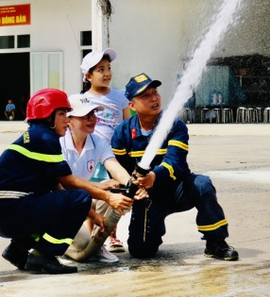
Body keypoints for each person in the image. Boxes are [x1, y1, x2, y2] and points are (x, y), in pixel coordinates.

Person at [0, 89, 132, 275]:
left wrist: (94, 216)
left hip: (5, 210)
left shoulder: (37, 135)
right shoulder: (46, 138)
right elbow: (69, 184)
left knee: (57, 200)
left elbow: (55, 185)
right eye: (62, 114)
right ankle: (44, 256)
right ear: (47, 116)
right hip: (12, 209)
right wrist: (108, 197)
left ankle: (18, 250)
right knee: (78, 197)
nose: (66, 119)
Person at [111, 72, 239, 261]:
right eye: (145, 96)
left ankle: (216, 242)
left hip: (177, 190)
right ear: (132, 105)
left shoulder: (175, 126)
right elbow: (119, 171)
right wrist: (136, 189)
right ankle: (153, 231)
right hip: (147, 197)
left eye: (155, 92)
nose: (154, 98)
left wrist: (154, 177)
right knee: (141, 252)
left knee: (202, 184)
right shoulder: (122, 133)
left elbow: (176, 161)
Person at [60, 93, 147, 264]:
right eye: (85, 115)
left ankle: (97, 245)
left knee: (115, 191)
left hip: (79, 199)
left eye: (93, 114)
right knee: (83, 243)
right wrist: (100, 189)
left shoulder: (98, 142)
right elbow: (64, 185)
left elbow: (115, 168)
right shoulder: (59, 143)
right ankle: (47, 246)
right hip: (60, 203)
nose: (92, 119)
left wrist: (133, 185)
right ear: (69, 120)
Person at [80, 48, 130, 252]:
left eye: (109, 68)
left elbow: (128, 122)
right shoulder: (83, 100)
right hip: (92, 156)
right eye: (101, 69)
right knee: (91, 196)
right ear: (88, 76)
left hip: (114, 157)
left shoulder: (119, 96)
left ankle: (112, 236)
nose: (107, 73)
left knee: (112, 197)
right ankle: (89, 239)